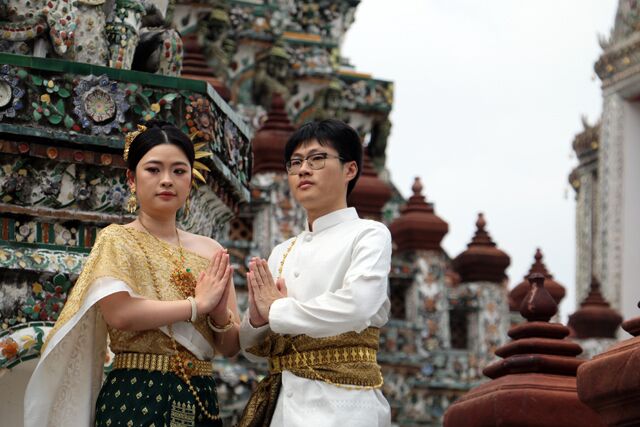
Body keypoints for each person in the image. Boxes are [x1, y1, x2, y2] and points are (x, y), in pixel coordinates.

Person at [24, 120, 241, 426]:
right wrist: (196, 306)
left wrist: (218, 314)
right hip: (134, 396)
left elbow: (231, 346)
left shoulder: (210, 251)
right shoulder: (117, 240)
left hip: (199, 398)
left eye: (179, 171)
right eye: (153, 169)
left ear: (191, 180)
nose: (167, 180)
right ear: (131, 179)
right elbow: (120, 312)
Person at [238, 119, 392, 427]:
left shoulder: (369, 234)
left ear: (350, 169)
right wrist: (257, 318)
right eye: (295, 163)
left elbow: (358, 305)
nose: (303, 170)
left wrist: (277, 310)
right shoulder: (282, 251)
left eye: (317, 159)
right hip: (282, 405)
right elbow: (252, 349)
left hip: (345, 405)